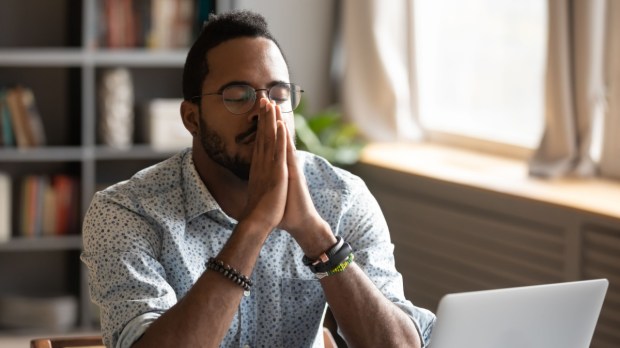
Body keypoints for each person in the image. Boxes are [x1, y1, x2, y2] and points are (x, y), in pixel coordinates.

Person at [81, 9, 435, 348]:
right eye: (238, 96)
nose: (266, 113)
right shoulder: (126, 212)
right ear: (192, 117)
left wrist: (316, 236)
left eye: (279, 95)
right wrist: (255, 225)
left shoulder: (340, 196)